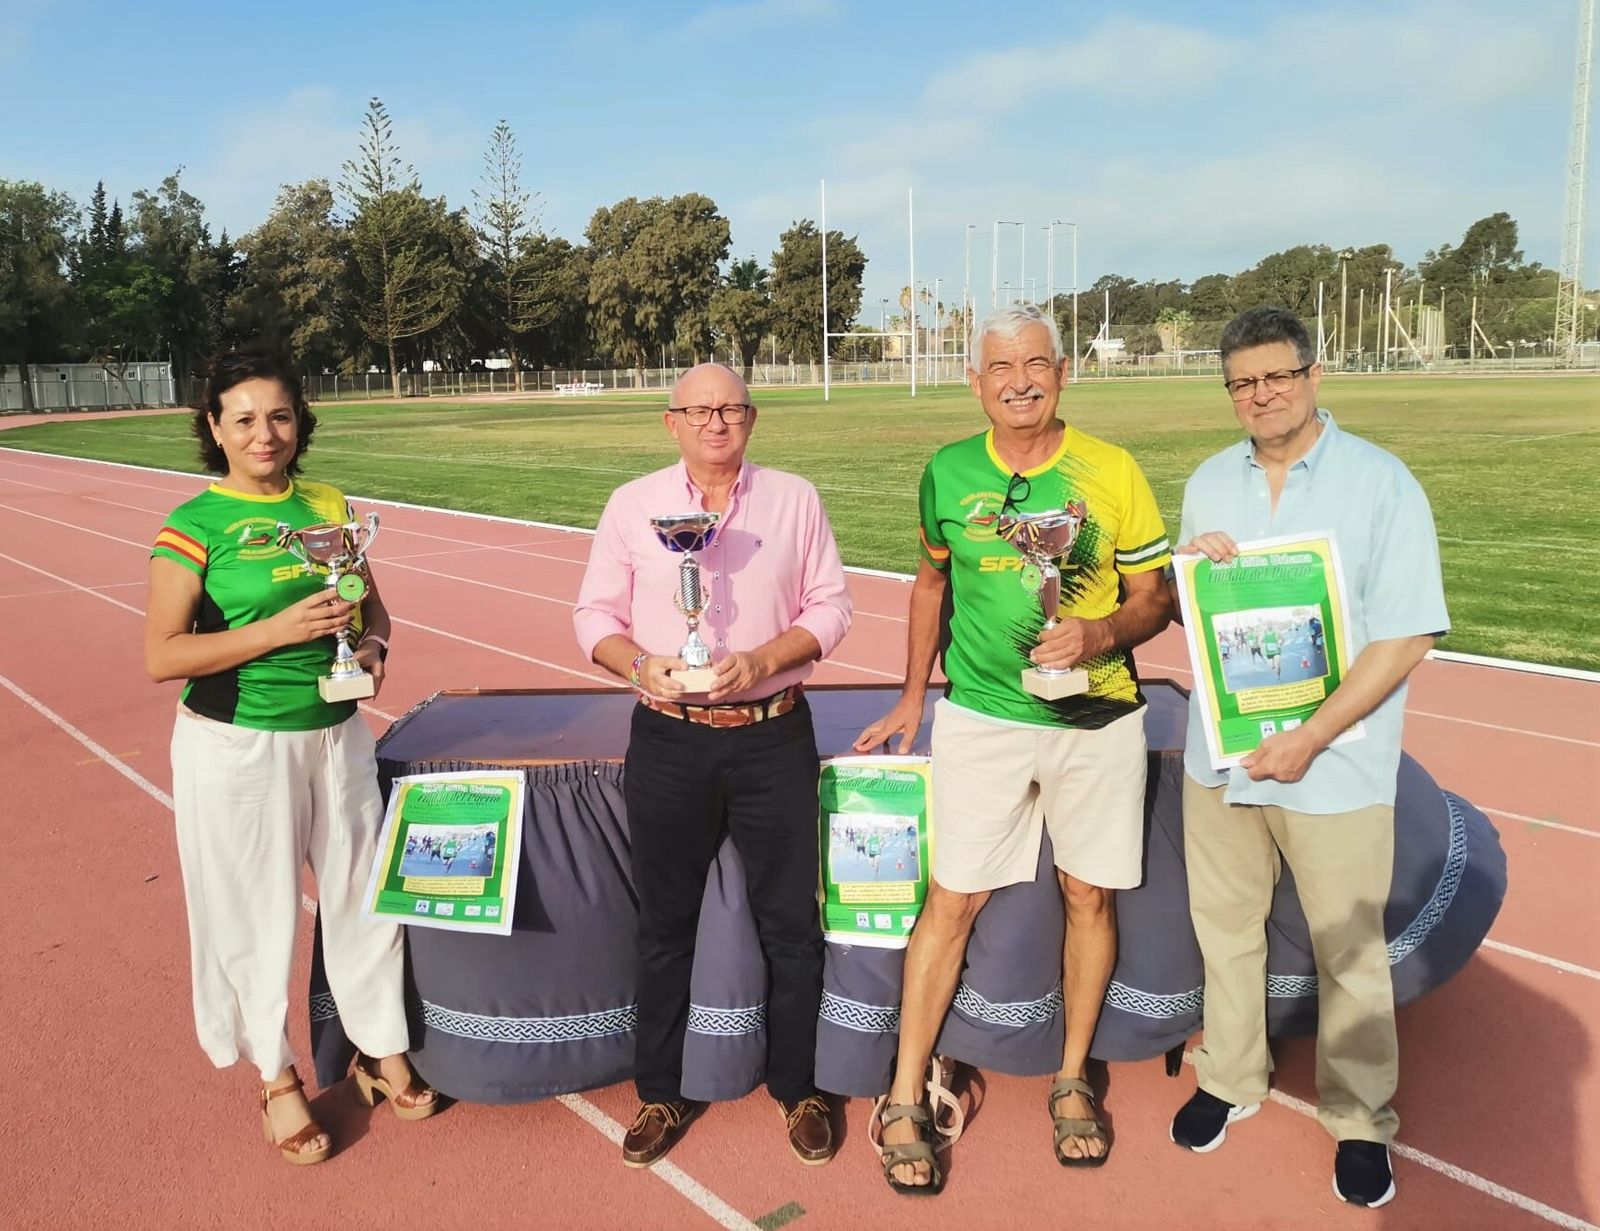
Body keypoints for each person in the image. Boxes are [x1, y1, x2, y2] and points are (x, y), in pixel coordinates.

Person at [855, 303, 1173, 1194]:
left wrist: (1099, 631)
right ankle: (905, 1088)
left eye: (1037, 363)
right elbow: (928, 586)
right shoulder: (948, 472)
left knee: (1088, 895)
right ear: (976, 381)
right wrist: (916, 693)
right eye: (1001, 367)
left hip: (1097, 720)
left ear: (1062, 373)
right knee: (950, 900)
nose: (1020, 380)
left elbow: (1157, 596)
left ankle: (1072, 1076)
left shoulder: (1111, 471)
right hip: (983, 720)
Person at [1169, 306, 1448, 1210]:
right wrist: (1193, 572)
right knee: (1226, 925)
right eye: (1243, 382)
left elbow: (1405, 636)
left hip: (1333, 763)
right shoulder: (1212, 480)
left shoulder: (1381, 483)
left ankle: (1362, 1120)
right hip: (1225, 758)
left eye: (1277, 376)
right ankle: (1233, 1074)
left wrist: (1310, 736)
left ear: (1313, 373)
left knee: (1348, 948)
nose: (1262, 394)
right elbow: (1198, 617)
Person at [145, 352, 437, 1166]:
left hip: (336, 733)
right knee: (255, 913)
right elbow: (162, 655)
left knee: (361, 896)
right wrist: (277, 631)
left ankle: (382, 1050)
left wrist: (373, 643)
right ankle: (276, 1077)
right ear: (214, 428)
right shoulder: (195, 524)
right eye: (243, 419)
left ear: (299, 421)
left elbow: (369, 598)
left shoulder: (327, 501)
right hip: (239, 748)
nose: (264, 433)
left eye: (278, 416)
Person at [573, 363, 853, 1170]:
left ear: (753, 417)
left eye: (730, 407)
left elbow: (831, 605)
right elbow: (593, 613)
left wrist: (764, 659)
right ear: (671, 422)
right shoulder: (633, 505)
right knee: (664, 926)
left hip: (773, 734)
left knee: (792, 927)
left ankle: (798, 1087)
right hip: (668, 736)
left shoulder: (794, 499)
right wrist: (640, 666)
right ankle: (660, 1088)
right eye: (698, 410)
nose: (716, 421)